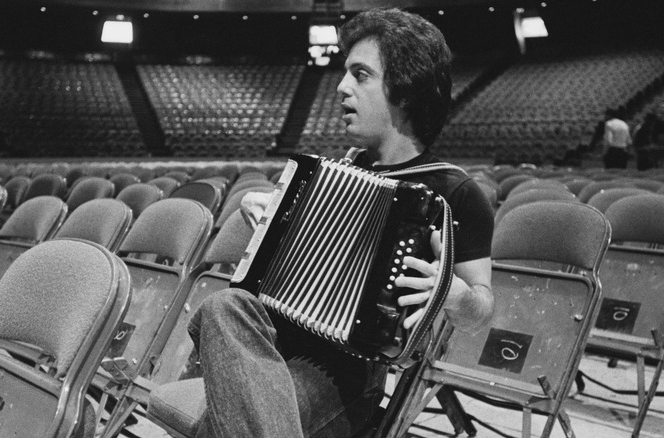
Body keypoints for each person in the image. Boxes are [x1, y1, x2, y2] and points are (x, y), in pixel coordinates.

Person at [187, 8, 494, 437]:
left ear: (404, 90)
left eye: (360, 74)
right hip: (271, 345)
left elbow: (482, 310)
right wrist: (264, 214)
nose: (341, 86)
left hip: (344, 378)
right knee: (224, 306)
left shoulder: (456, 193)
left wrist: (453, 293)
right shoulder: (326, 175)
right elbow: (274, 275)